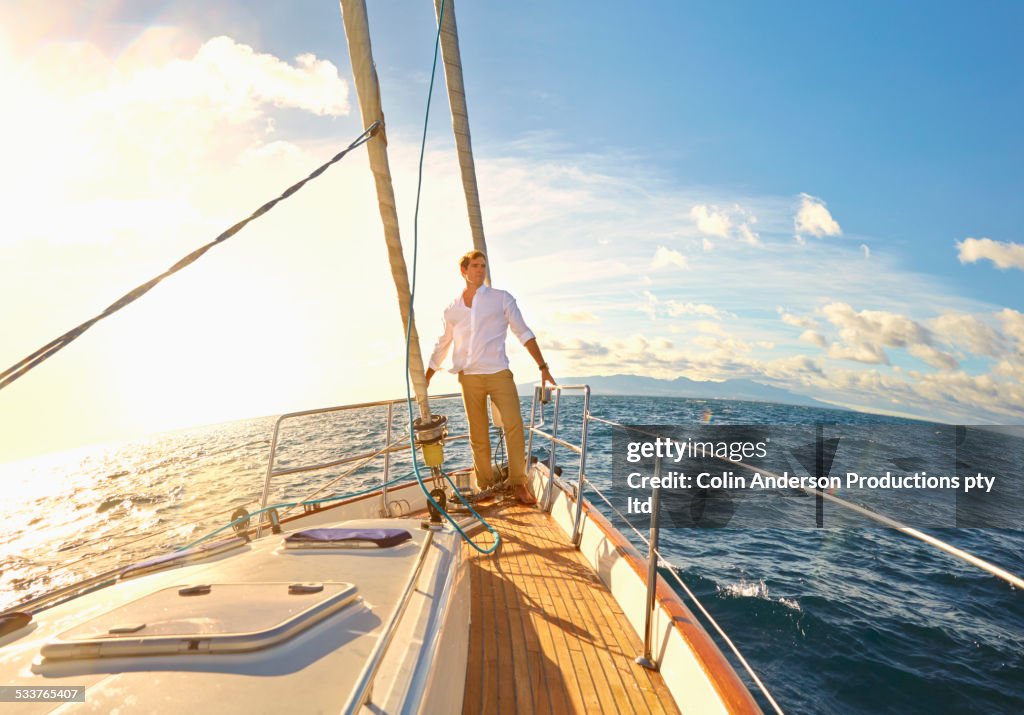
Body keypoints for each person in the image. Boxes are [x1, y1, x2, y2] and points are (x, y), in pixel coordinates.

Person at [425, 250, 555, 505]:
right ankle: (485, 485)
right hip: (468, 377)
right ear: (463, 271)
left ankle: (519, 483)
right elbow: (443, 344)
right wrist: (427, 376)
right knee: (478, 434)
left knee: (514, 425)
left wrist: (542, 365)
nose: (480, 270)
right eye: (475, 266)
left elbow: (524, 332)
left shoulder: (501, 299)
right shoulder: (452, 309)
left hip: (498, 373)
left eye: (483, 266)